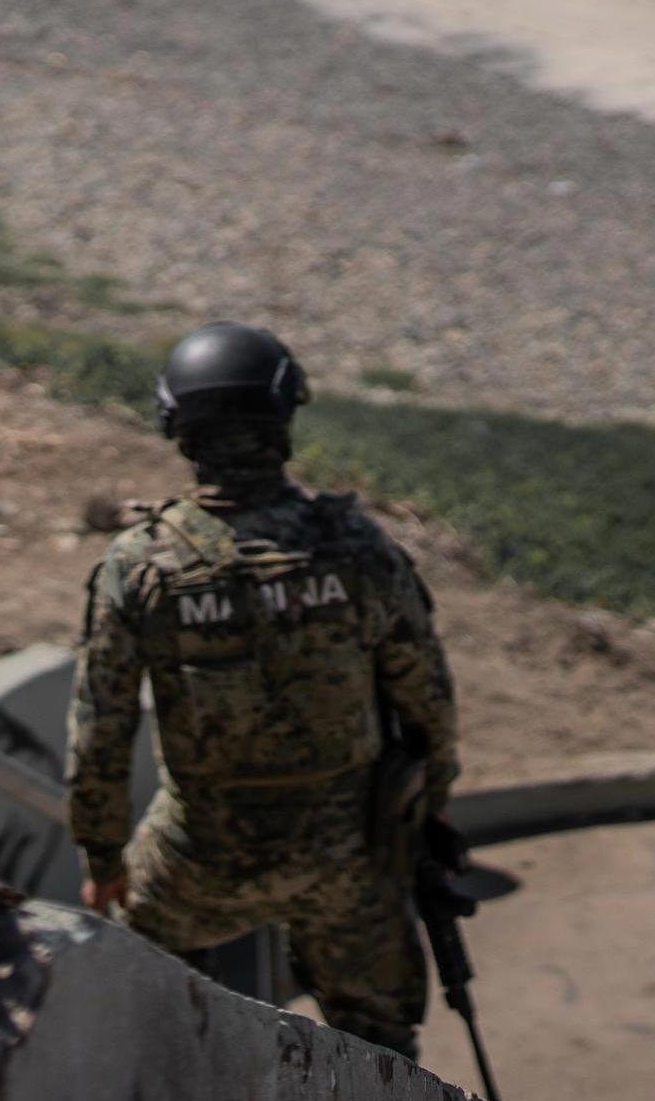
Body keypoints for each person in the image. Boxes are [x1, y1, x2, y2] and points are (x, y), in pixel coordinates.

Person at [62, 323, 458, 1056]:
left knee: (131, 1005)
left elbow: (100, 733)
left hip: (195, 859)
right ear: (284, 417)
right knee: (380, 1041)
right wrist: (422, 820)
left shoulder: (141, 566)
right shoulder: (357, 548)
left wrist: (101, 861)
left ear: (176, 426)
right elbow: (429, 706)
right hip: (349, 857)